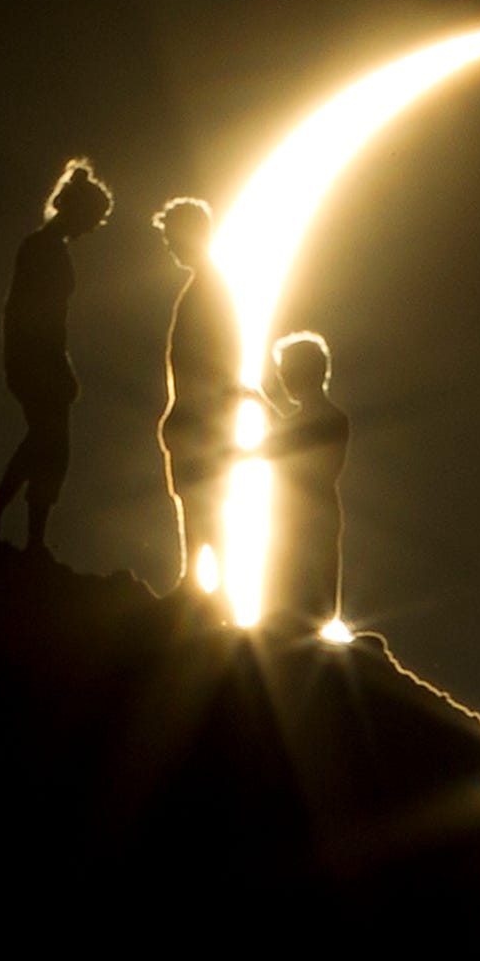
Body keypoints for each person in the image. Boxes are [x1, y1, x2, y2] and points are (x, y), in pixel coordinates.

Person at [0, 160, 113, 554]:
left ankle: (9, 525)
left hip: (35, 358)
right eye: (94, 218)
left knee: (44, 444)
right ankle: (23, 533)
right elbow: (34, 314)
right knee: (50, 446)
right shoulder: (44, 249)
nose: (93, 228)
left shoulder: (46, 247)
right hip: (36, 359)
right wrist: (52, 363)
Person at [153, 197, 242, 591]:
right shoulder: (208, 288)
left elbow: (217, 361)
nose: (171, 246)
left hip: (203, 419)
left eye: (173, 237)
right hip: (197, 416)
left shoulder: (209, 290)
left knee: (204, 499)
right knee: (196, 498)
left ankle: (210, 586)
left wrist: (201, 414)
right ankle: (197, 580)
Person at [251, 332, 349, 634]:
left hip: (302, 527)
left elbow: (280, 445)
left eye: (285, 372)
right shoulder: (332, 417)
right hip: (304, 523)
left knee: (295, 609)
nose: (282, 379)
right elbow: (285, 435)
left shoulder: (326, 420)